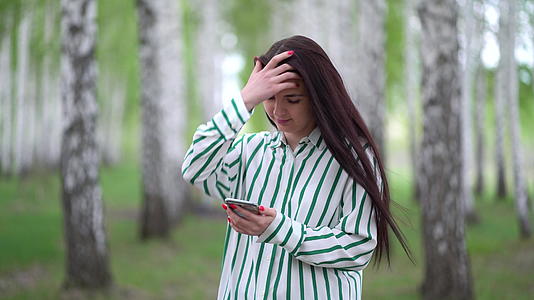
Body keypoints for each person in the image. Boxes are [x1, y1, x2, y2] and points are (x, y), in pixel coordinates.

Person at [182, 35, 411, 300]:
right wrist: (244, 100)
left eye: (292, 99)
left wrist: (280, 230)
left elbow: (357, 247)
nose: (278, 110)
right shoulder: (249, 150)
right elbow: (194, 168)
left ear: (319, 97)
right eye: (269, 98)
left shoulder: (355, 159)